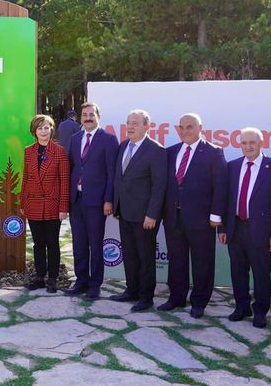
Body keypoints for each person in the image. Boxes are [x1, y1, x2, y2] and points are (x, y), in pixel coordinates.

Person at [218, 128, 271, 328]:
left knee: (261, 273)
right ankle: (242, 307)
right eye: (244, 143)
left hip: (262, 231)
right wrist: (222, 228)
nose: (248, 146)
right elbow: (224, 200)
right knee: (238, 271)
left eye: (252, 142)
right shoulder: (231, 167)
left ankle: (260, 311)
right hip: (235, 228)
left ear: (261, 143)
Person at [158, 113, 227, 319]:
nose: (186, 130)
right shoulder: (170, 152)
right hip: (173, 217)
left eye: (190, 126)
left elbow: (221, 187)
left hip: (201, 219)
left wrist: (216, 215)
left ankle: (199, 302)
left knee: (202, 262)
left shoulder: (214, 152)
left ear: (200, 128)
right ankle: (176, 298)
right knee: (176, 260)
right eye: (182, 127)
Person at [111, 109, 167, 312]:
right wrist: (116, 205)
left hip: (145, 216)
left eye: (135, 123)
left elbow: (159, 185)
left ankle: (146, 297)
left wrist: (152, 214)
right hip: (125, 213)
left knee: (145, 257)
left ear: (147, 126)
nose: (130, 126)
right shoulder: (123, 146)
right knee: (130, 255)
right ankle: (131, 290)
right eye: (128, 122)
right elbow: (119, 179)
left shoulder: (156, 150)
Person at [65, 102, 118, 300]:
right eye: (84, 114)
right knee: (78, 243)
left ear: (98, 116)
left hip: (97, 202)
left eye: (91, 114)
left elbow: (112, 173)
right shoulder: (75, 138)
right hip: (76, 200)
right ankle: (81, 281)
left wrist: (108, 200)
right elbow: (72, 167)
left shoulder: (109, 140)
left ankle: (95, 284)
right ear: (80, 118)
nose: (87, 117)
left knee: (95, 244)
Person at [19, 114, 70, 293]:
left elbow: (64, 181)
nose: (43, 131)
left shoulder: (59, 151)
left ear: (51, 129)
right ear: (34, 131)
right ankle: (40, 277)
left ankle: (53, 279)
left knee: (52, 243)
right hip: (32, 203)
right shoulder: (28, 151)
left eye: (46, 127)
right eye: (40, 128)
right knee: (38, 243)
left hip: (52, 205)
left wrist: (64, 207)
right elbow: (26, 178)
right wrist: (23, 201)